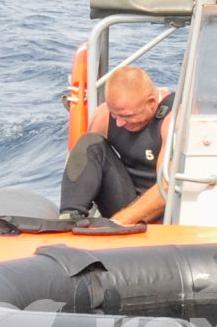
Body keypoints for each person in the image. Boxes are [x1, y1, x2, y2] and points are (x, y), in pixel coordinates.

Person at [58, 65, 173, 224]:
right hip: (125, 203)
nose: (118, 123)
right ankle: (68, 219)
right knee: (90, 142)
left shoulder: (173, 119)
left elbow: (167, 187)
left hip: (164, 212)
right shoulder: (104, 116)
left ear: (151, 103)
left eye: (127, 116)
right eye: (114, 114)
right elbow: (86, 163)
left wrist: (118, 222)